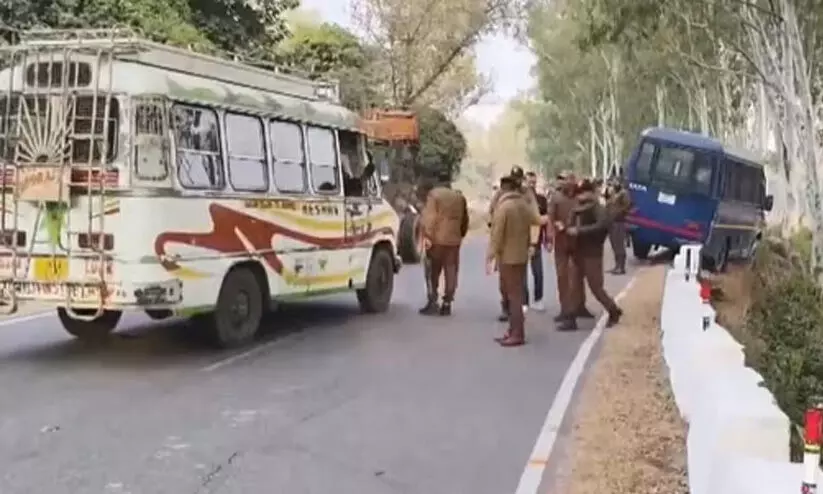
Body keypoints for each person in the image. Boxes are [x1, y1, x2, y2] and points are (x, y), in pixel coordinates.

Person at [557, 179, 623, 331]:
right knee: (574, 286)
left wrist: (580, 231)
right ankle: (571, 319)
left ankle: (613, 310)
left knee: (596, 287)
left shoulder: (597, 208)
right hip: (577, 251)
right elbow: (571, 226)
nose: (581, 196)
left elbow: (602, 225)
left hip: (592, 252)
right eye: (579, 193)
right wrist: (565, 228)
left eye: (583, 193)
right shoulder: (577, 208)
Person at [488, 166, 547, 321]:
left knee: (521, 276)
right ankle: (507, 306)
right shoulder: (501, 194)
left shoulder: (527, 195)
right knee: (505, 279)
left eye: (518, 179)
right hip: (505, 242)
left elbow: (535, 220)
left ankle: (519, 310)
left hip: (522, 239)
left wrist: (534, 243)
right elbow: (493, 217)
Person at [486, 174, 532, 347]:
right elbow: (534, 220)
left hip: (507, 257)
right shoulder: (523, 204)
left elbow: (497, 235)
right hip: (520, 254)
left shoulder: (504, 207)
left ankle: (517, 333)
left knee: (513, 298)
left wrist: (490, 256)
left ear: (504, 188)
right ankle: (513, 331)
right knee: (516, 295)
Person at [419, 169, 470, 316]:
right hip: (453, 240)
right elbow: (464, 220)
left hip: (437, 240)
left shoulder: (434, 195)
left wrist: (427, 236)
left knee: (432, 271)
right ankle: (447, 302)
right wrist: (460, 234)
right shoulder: (459, 197)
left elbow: (430, 218)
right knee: (451, 270)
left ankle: (432, 300)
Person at [546, 171, 593, 324]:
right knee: (563, 276)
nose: (567, 183)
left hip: (578, 241)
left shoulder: (581, 198)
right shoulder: (556, 198)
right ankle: (565, 309)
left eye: (569, 179)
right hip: (561, 241)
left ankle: (579, 306)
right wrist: (549, 237)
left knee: (578, 276)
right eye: (564, 180)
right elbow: (550, 219)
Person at [523, 171, 549, 311]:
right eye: (529, 182)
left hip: (536, 241)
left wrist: (548, 239)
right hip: (521, 240)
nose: (531, 185)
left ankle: (538, 299)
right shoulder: (519, 199)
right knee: (522, 273)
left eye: (534, 182)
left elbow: (545, 221)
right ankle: (524, 301)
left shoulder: (541, 200)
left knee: (538, 272)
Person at [604, 177, 632, 274]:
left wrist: (619, 213)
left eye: (616, 181)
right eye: (613, 182)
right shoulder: (613, 194)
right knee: (614, 244)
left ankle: (621, 267)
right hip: (611, 222)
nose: (614, 183)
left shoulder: (624, 193)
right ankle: (617, 266)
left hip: (619, 221)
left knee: (619, 245)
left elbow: (627, 206)